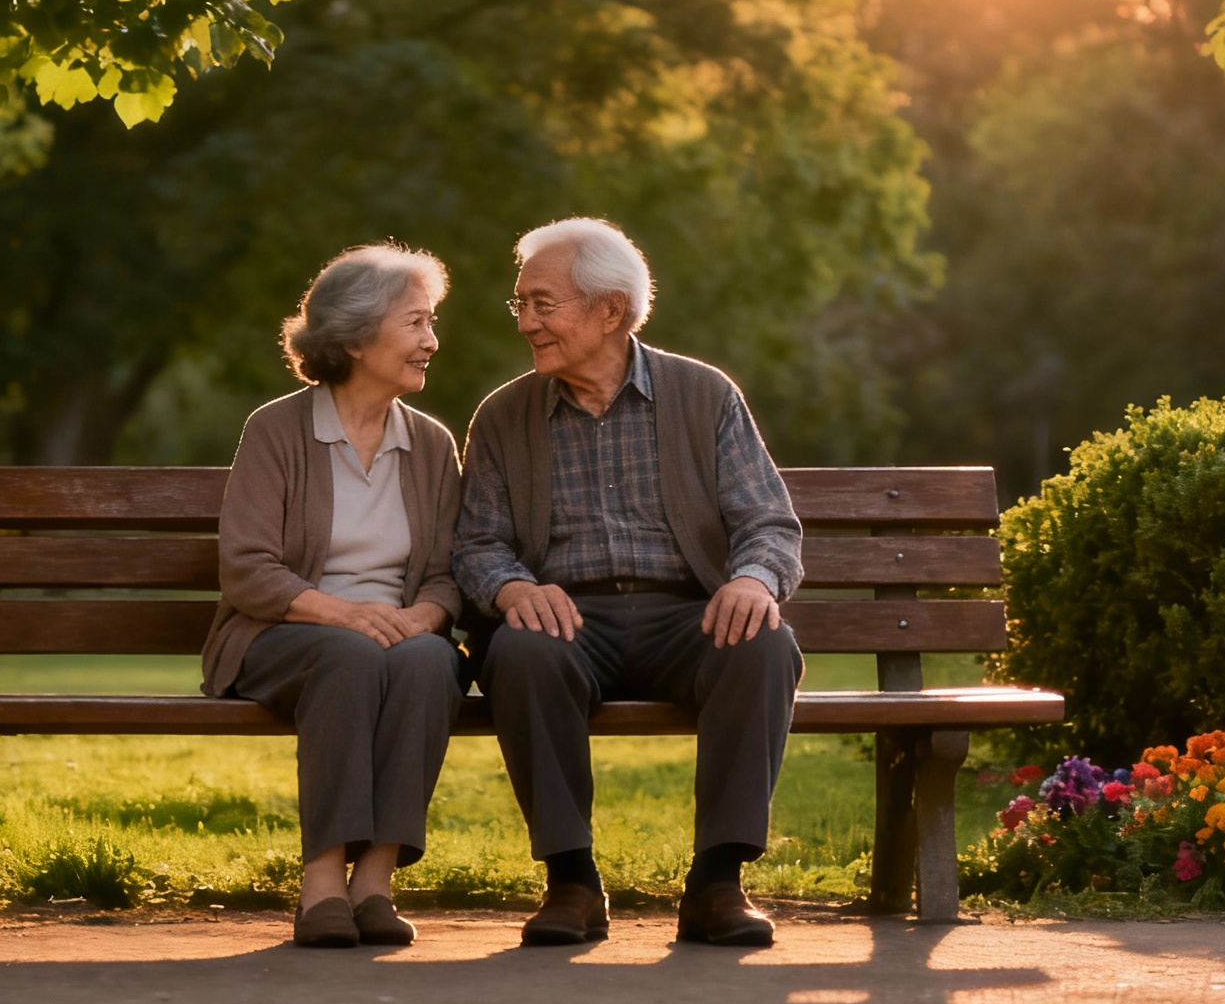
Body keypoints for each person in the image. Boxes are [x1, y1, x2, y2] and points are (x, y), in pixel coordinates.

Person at [454, 217, 804, 948]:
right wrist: (513, 590)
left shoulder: (704, 395)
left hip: (689, 616)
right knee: (518, 652)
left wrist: (752, 581)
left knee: (763, 646)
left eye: (542, 304)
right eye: (519, 304)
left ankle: (718, 882)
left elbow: (769, 524)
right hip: (568, 621)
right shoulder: (502, 415)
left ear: (609, 310)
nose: (525, 323)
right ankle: (572, 882)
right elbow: (477, 543)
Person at [201, 244, 467, 949]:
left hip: (394, 637)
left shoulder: (434, 446)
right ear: (353, 337)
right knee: (347, 656)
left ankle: (374, 883)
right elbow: (249, 570)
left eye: (430, 322)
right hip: (281, 635)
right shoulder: (277, 430)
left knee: (432, 663)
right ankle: (322, 879)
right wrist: (345, 614)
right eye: (415, 323)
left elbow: (447, 573)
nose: (431, 341)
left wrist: (423, 617)